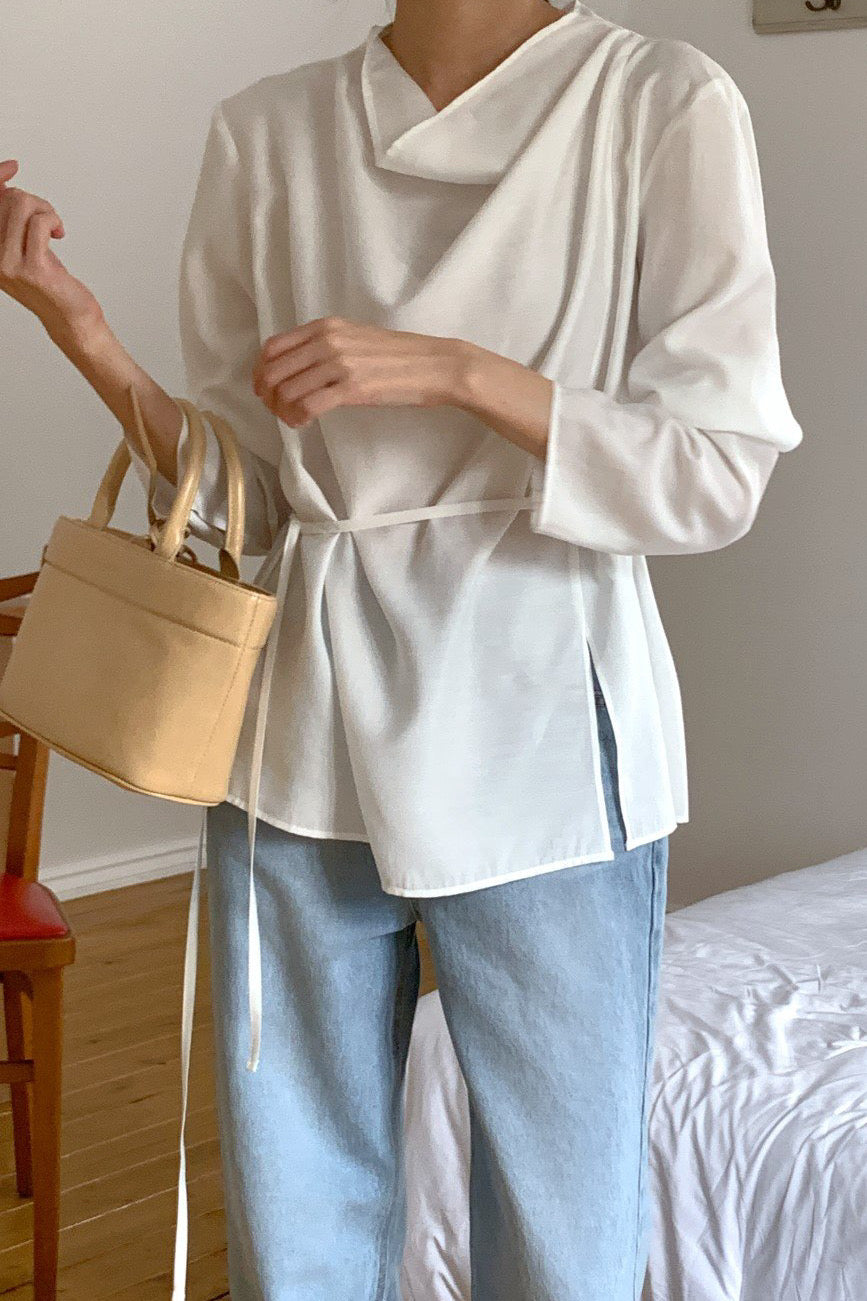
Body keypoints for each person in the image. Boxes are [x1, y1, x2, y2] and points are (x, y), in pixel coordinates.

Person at [0, 1, 803, 1297]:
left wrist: (458, 372)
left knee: (562, 1230)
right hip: (298, 729)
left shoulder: (658, 102)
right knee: (297, 1221)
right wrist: (76, 327)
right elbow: (252, 506)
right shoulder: (267, 132)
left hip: (547, 726)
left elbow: (716, 473)